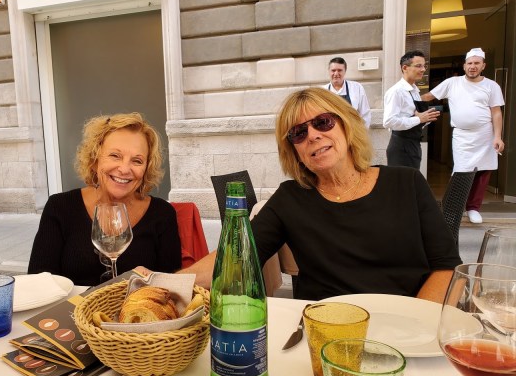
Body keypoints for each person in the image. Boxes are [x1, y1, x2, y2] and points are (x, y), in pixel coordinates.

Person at [183, 88, 461, 302]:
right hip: (326, 334)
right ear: (294, 151)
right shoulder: (291, 199)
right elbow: (233, 258)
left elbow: (448, 269)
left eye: (323, 122)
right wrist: (167, 284)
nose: (312, 135)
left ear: (347, 126)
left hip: (405, 329)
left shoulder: (407, 183)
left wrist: (416, 327)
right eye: (298, 133)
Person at [28, 113, 182, 286]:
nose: (124, 169)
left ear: (146, 169)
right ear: (95, 160)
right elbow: (38, 282)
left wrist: (152, 281)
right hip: (71, 304)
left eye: (137, 161)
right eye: (115, 155)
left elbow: (173, 285)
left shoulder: (162, 214)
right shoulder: (60, 207)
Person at [422, 48, 505, 224]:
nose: (473, 66)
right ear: (464, 65)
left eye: (476, 63)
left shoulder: (492, 86)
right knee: (461, 171)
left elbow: (496, 112)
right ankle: (454, 208)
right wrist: (404, 96)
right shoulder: (452, 82)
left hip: (485, 134)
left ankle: (473, 208)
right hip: (461, 135)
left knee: (482, 171)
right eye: (470, 63)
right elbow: (429, 96)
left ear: (483, 66)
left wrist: (497, 136)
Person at [383, 50, 440, 169]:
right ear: (405, 68)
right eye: (418, 66)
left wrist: (426, 118)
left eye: (424, 66)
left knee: (412, 179)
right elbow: (389, 121)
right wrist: (418, 119)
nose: (423, 69)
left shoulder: (415, 91)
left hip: (414, 144)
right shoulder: (396, 92)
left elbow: (415, 118)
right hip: (401, 147)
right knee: (402, 181)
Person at [326, 56, 371, 128]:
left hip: (352, 131)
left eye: (340, 70)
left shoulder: (357, 87)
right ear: (329, 71)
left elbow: (365, 114)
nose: (336, 73)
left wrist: (362, 132)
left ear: (345, 71)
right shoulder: (323, 90)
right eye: (333, 70)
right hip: (330, 132)